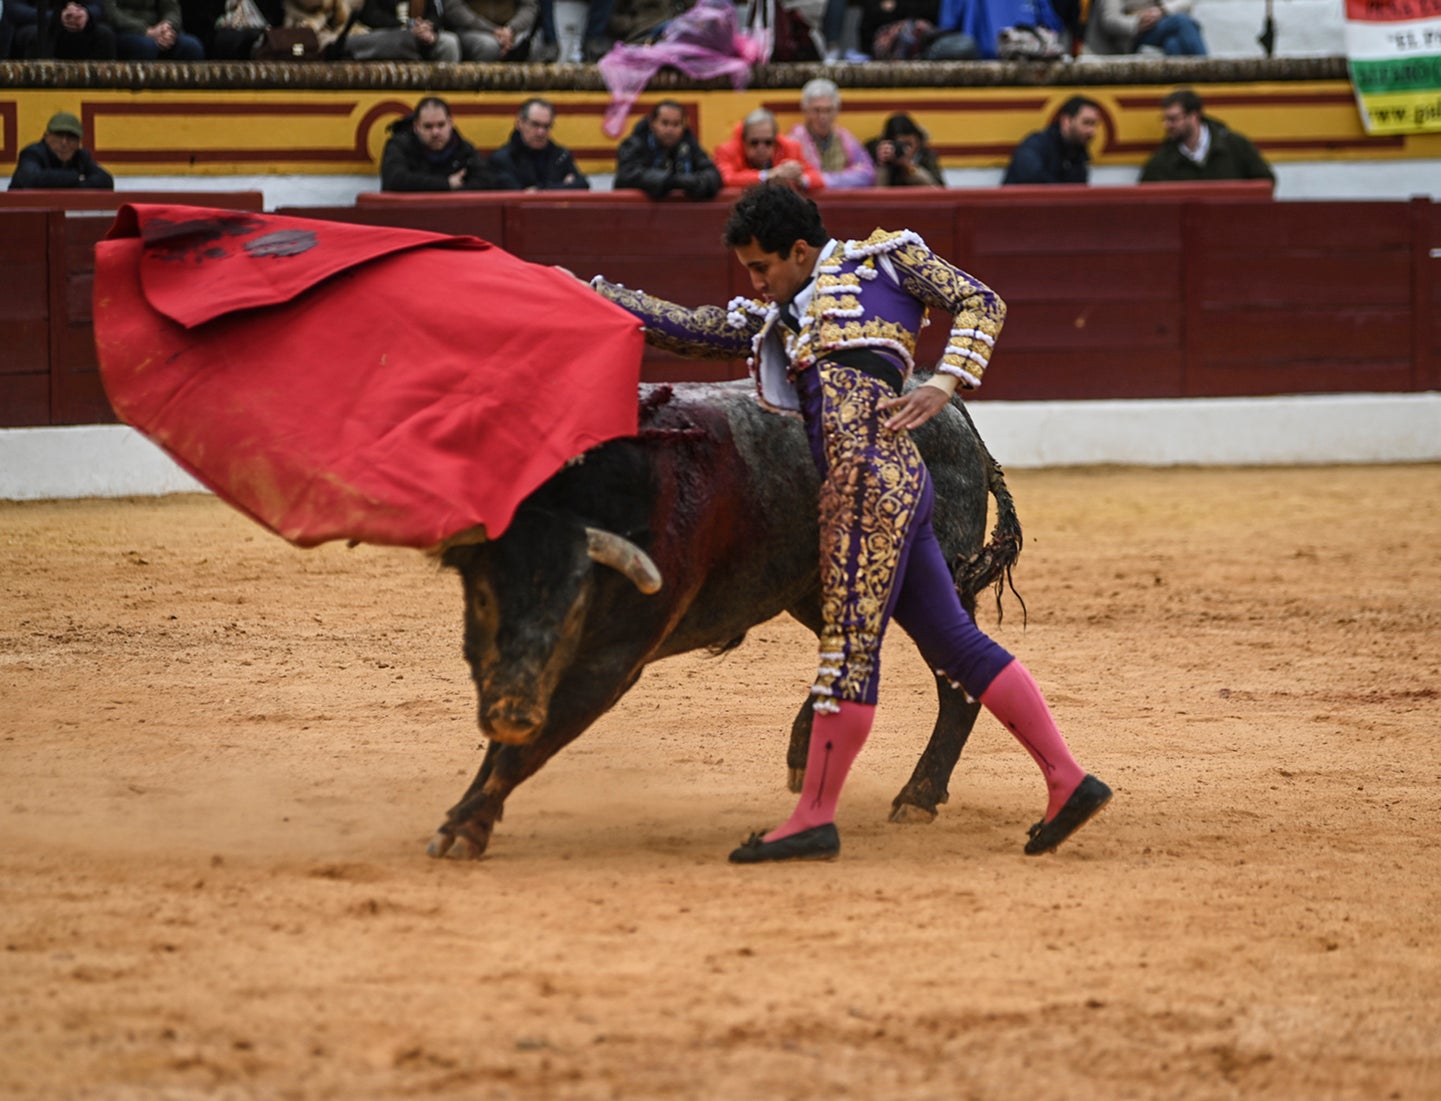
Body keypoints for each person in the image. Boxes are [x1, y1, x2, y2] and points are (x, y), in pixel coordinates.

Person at [589, 182, 1112, 863]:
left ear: (799, 250)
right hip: (893, 484)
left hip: (866, 485)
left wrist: (943, 383)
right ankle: (1067, 779)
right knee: (952, 639)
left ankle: (812, 816)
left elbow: (981, 300)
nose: (755, 281)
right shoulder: (784, 313)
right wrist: (592, 294)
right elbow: (694, 328)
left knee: (847, 652)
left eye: (760, 267)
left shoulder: (888, 258)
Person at [1140, 89, 1275, 184]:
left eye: (1173, 119)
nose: (1167, 125)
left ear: (1194, 116)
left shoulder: (1236, 147)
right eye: (1164, 119)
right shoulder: (1161, 162)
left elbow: (1265, 183)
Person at [380, 97, 499, 192]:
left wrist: (455, 194)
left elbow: (486, 180)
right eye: (428, 126)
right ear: (416, 127)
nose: (435, 132)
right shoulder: (399, 146)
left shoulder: (463, 149)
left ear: (450, 123)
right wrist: (446, 184)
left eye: (441, 125)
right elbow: (394, 180)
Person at [613, 99, 721, 201]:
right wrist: (669, 181)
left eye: (676, 124)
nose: (670, 129)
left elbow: (712, 174)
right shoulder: (634, 144)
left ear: (683, 126)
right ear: (652, 123)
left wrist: (693, 183)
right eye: (664, 123)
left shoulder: (690, 144)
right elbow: (626, 175)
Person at [788, 78, 875, 190]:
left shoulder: (845, 138)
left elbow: (867, 174)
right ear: (805, 111)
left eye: (828, 110)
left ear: (836, 111)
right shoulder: (794, 141)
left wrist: (823, 180)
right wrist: (846, 177)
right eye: (817, 110)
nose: (823, 117)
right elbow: (792, 179)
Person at [486, 98, 589, 191]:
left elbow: (583, 185)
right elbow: (517, 198)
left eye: (546, 126)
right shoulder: (502, 160)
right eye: (535, 125)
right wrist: (563, 186)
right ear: (519, 123)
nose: (541, 132)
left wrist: (538, 191)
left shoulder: (560, 156)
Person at [713, 108, 823, 193]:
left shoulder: (789, 147)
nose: (761, 148)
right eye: (754, 142)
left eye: (768, 142)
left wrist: (800, 180)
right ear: (744, 140)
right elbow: (726, 178)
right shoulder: (726, 151)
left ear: (775, 140)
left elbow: (818, 178)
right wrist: (768, 175)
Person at [1001, 95, 1101, 185]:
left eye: (1094, 124)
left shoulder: (1078, 156)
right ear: (1066, 121)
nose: (1092, 131)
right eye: (1086, 123)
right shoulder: (1036, 145)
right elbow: (1032, 180)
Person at [9, 111, 115, 191]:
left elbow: (106, 180)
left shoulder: (81, 156)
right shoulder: (32, 153)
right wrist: (77, 177)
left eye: (71, 137)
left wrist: (67, 182)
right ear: (46, 136)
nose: (64, 143)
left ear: (79, 142)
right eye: (59, 135)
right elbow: (32, 180)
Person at [343, 0, 461, 59]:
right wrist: (406, 27)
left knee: (449, 43)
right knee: (402, 40)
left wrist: (428, 27)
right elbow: (370, 15)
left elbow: (435, 14)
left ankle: (438, 99)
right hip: (386, 33)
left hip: (421, 36)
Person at [1084, 0, 1206, 56]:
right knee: (1183, 21)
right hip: (1132, 36)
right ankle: (1209, 71)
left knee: (1173, 44)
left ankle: (1183, 92)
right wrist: (1138, 22)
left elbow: (1187, 3)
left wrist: (1161, 11)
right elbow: (1110, 20)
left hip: (1161, 23)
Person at [6, 0, 117, 58]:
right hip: (36, 24)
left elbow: (98, 6)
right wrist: (56, 17)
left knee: (104, 34)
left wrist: (85, 14)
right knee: (39, 37)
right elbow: (14, 10)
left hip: (73, 26)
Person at [865, 113, 944, 188]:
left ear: (918, 139)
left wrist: (909, 167)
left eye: (908, 144)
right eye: (899, 145)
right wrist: (882, 164)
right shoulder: (879, 154)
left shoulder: (927, 155)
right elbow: (877, 194)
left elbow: (937, 189)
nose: (905, 149)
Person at [101, 0, 204, 56]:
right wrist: (146, 31)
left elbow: (171, 9)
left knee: (191, 46)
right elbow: (110, 13)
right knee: (146, 47)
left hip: (159, 30)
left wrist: (166, 26)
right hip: (127, 30)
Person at [442, 0, 536, 59]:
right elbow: (454, 9)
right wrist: (492, 30)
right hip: (472, 28)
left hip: (511, 29)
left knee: (531, 46)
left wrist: (511, 29)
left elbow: (529, 6)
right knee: (488, 46)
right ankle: (481, 88)